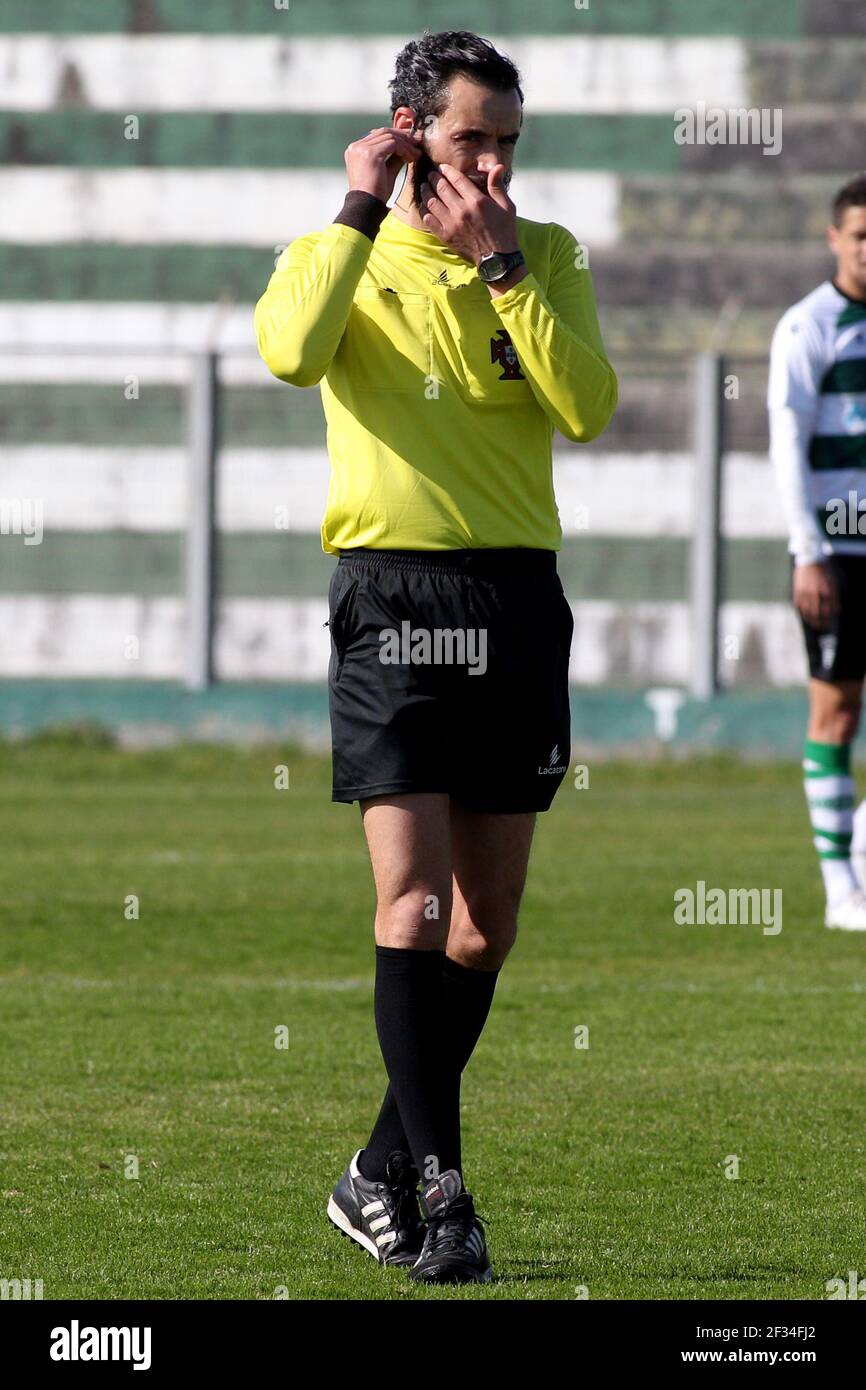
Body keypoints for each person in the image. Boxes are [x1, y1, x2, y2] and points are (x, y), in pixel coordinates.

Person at [254, 29, 617, 1283]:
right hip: (393, 599)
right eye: (473, 139)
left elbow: (586, 404)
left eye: (510, 143)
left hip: (516, 599)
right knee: (408, 903)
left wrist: (503, 269)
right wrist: (360, 203)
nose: (497, 166)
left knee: (483, 926)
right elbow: (290, 352)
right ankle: (444, 1194)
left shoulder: (543, 254)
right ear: (410, 132)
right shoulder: (337, 254)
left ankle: (373, 1170)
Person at [769, 173, 866, 931]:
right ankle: (841, 890)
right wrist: (808, 551)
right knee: (835, 714)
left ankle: (860, 850)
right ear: (835, 238)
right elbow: (787, 443)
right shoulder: (810, 325)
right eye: (861, 236)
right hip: (837, 554)